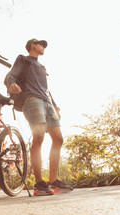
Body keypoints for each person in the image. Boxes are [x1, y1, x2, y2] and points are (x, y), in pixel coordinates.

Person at [5, 38, 73, 196]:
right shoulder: (23, 59)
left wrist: (55, 105)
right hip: (32, 100)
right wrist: (11, 84)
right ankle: (39, 184)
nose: (44, 47)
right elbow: (11, 75)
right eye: (41, 44)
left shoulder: (42, 67)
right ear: (33, 46)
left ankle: (53, 180)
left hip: (47, 102)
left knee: (58, 138)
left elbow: (46, 89)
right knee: (39, 136)